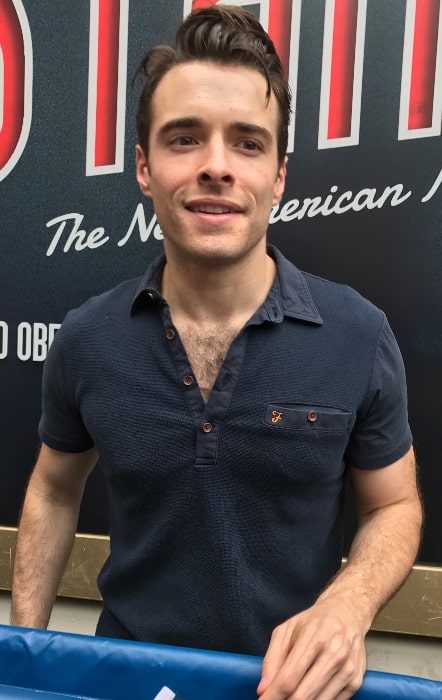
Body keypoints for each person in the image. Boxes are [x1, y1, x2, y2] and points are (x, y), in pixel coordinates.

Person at [11, 5, 422, 700]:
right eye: (184, 139)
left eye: (248, 144)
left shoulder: (359, 333)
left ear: (279, 175)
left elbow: (396, 504)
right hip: (128, 683)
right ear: (144, 167)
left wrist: (347, 607)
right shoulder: (86, 338)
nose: (216, 168)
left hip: (289, 690)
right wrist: (25, 655)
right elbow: (53, 489)